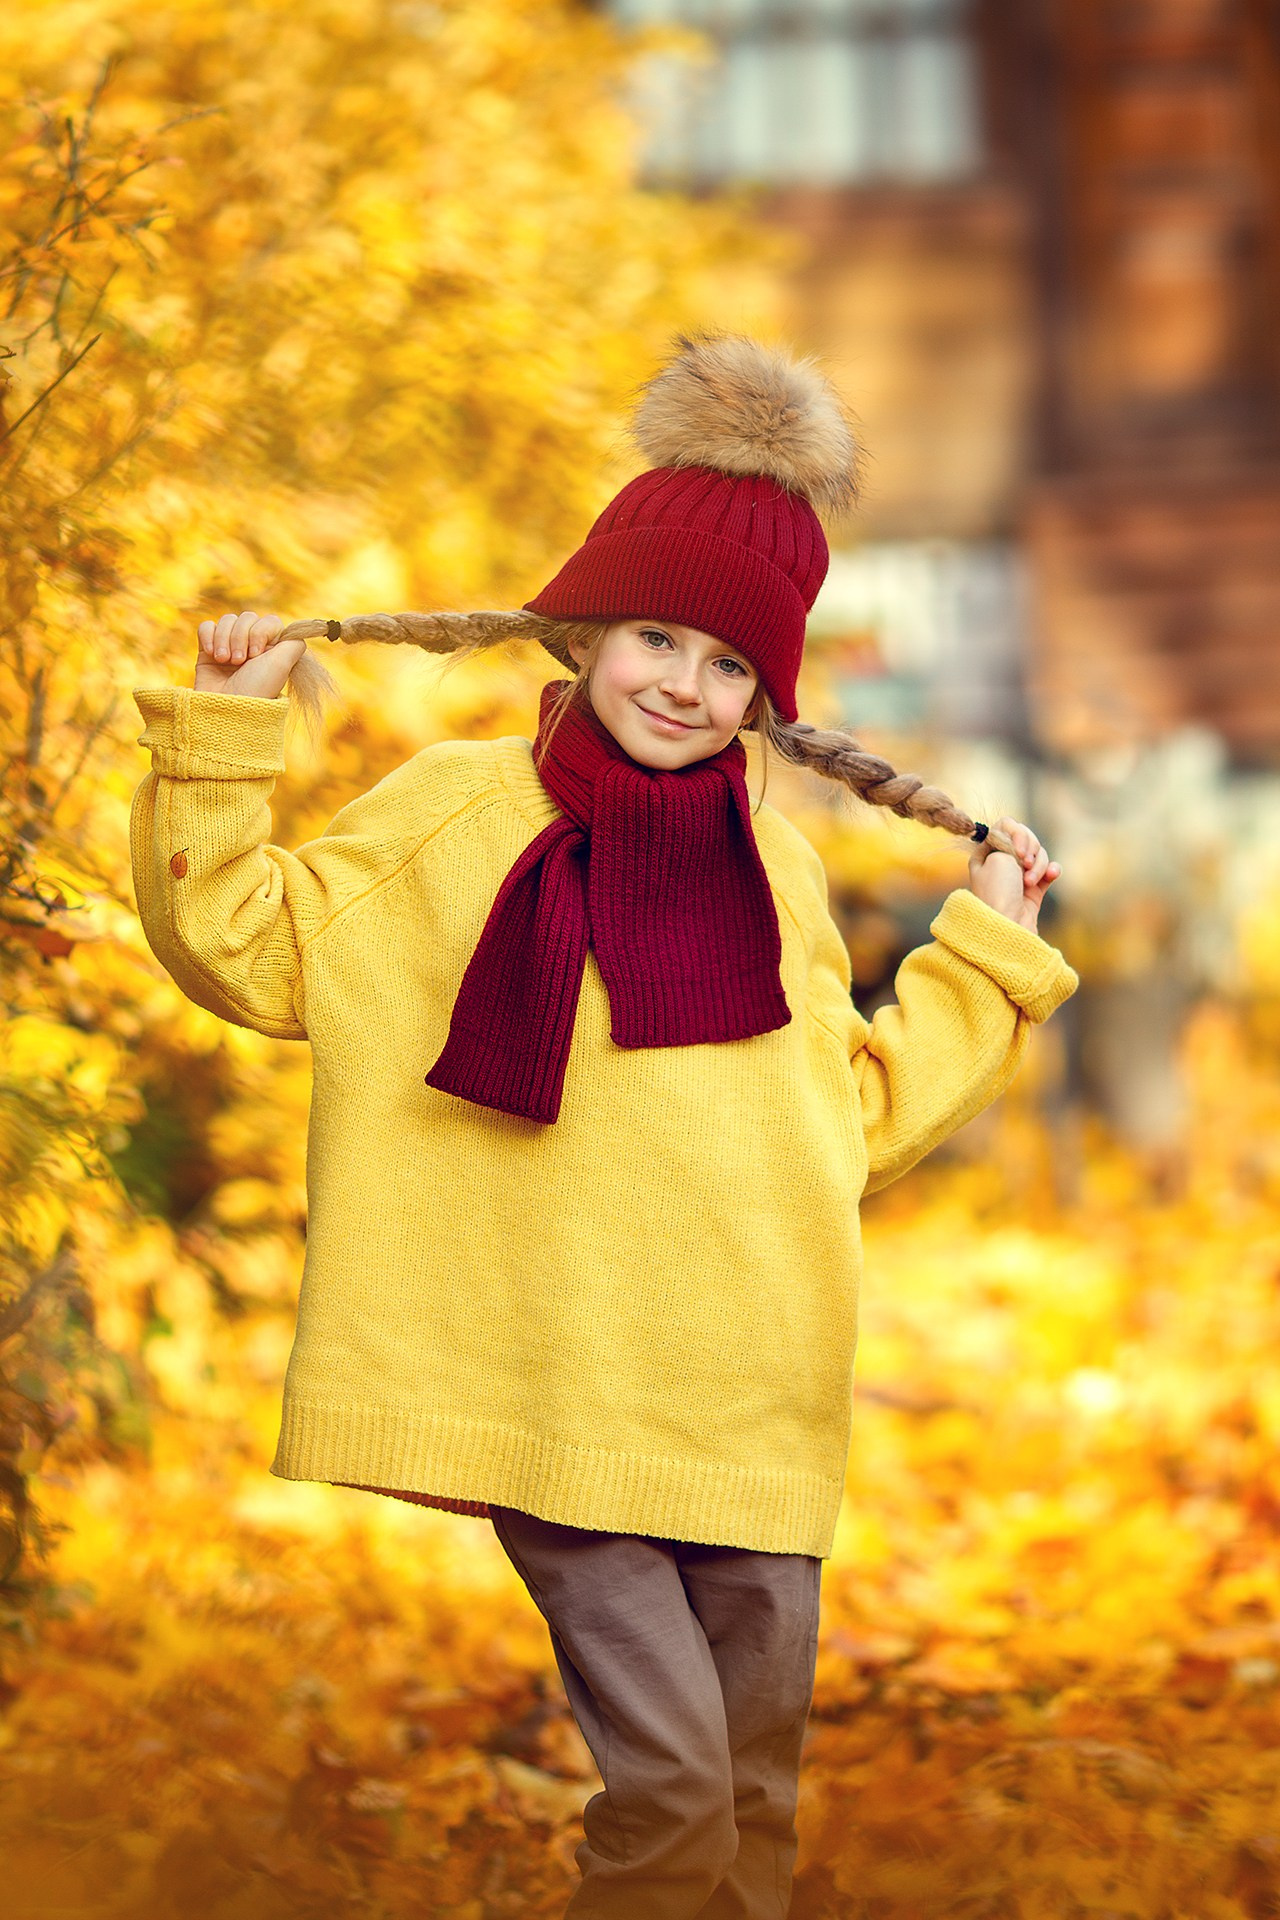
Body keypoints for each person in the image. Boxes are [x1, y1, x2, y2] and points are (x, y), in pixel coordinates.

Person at [129, 334, 1077, 1919]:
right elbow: (244, 941)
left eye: (730, 667)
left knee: (753, 1816)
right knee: (675, 1804)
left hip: (748, 1406)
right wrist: (224, 732)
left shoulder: (776, 870)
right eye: (657, 638)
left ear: (767, 697)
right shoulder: (455, 810)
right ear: (583, 629)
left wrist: (984, 953)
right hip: (556, 1398)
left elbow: (840, 1123)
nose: (684, 688)